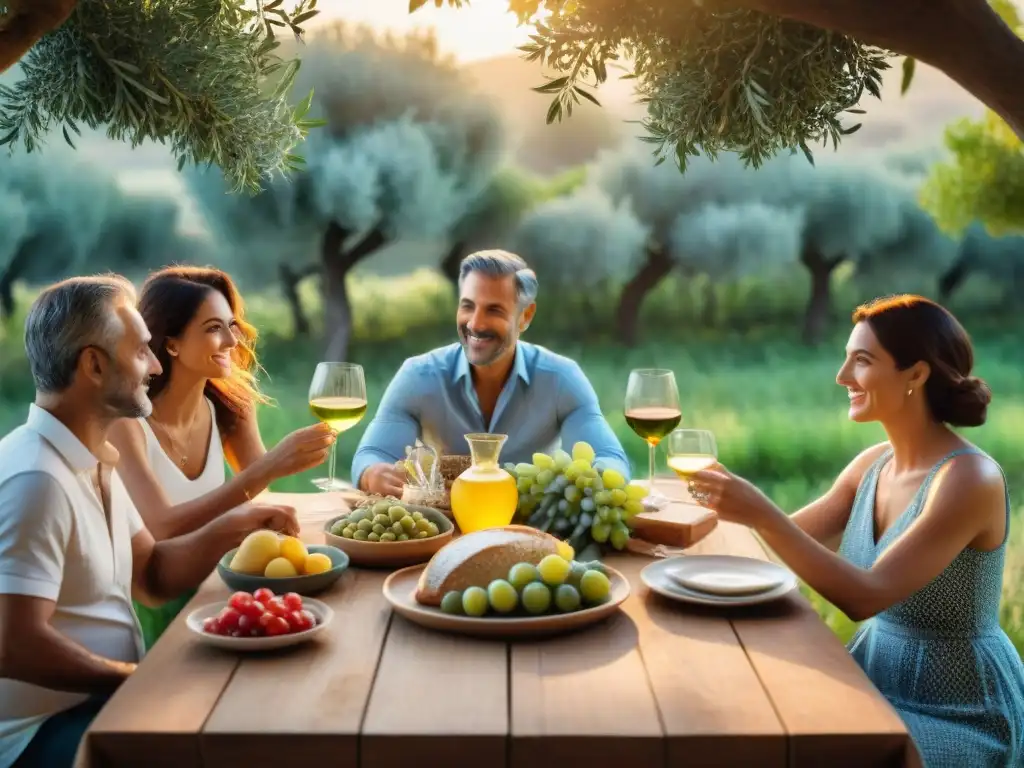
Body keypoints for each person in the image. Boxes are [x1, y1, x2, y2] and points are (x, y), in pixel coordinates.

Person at [686, 295, 1024, 768]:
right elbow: (773, 546)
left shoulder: (969, 479)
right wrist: (680, 523)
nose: (842, 377)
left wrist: (759, 511)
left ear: (917, 374)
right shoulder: (872, 466)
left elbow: (866, 596)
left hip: (961, 709)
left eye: (861, 361)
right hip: (873, 676)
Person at [0, 275, 301, 768]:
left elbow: (153, 575)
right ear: (94, 365)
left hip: (98, 702)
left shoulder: (92, 459)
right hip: (40, 736)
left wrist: (238, 523)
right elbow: (14, 645)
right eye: (142, 351)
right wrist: (136, 679)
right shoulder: (37, 479)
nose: (157, 365)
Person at [106, 266, 334, 650]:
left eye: (232, 325)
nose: (232, 340)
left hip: (222, 590)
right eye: (214, 328)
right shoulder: (125, 422)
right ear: (172, 343)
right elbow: (162, 529)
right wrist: (271, 465)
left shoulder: (231, 408)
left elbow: (257, 494)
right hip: (151, 607)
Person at [352, 249, 630, 496]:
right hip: (442, 529)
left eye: (494, 310)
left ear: (526, 316)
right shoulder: (417, 376)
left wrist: (597, 480)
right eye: (468, 306)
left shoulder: (561, 378)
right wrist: (371, 474)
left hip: (534, 529)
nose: (475, 323)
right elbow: (373, 454)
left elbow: (609, 457)